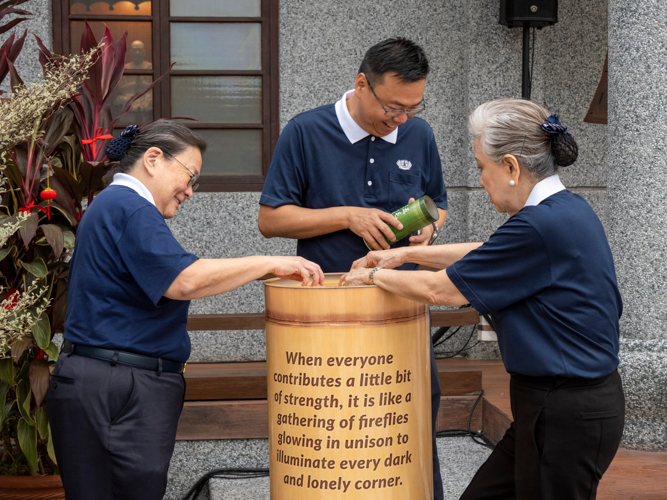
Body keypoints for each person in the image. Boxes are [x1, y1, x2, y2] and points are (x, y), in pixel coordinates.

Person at [341, 98, 625, 500]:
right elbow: (489, 250)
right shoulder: (564, 209)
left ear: (510, 166)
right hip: (556, 404)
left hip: (565, 411)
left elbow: (441, 289)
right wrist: (404, 254)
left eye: (481, 168)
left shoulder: (540, 224)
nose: (479, 180)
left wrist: (370, 276)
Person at [47, 120, 324, 500]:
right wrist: (268, 263)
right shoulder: (130, 207)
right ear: (154, 159)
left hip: (109, 380)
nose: (190, 192)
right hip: (118, 384)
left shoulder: (116, 206)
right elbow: (185, 279)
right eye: (190, 176)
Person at [258, 37, 448, 498]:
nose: (400, 119)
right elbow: (271, 219)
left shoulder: (418, 135)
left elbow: (438, 204)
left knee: (411, 413)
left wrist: (430, 231)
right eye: (392, 107)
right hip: (324, 313)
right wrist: (347, 215)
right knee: (336, 429)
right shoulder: (305, 131)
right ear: (362, 83)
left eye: (412, 109)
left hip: (403, 303)